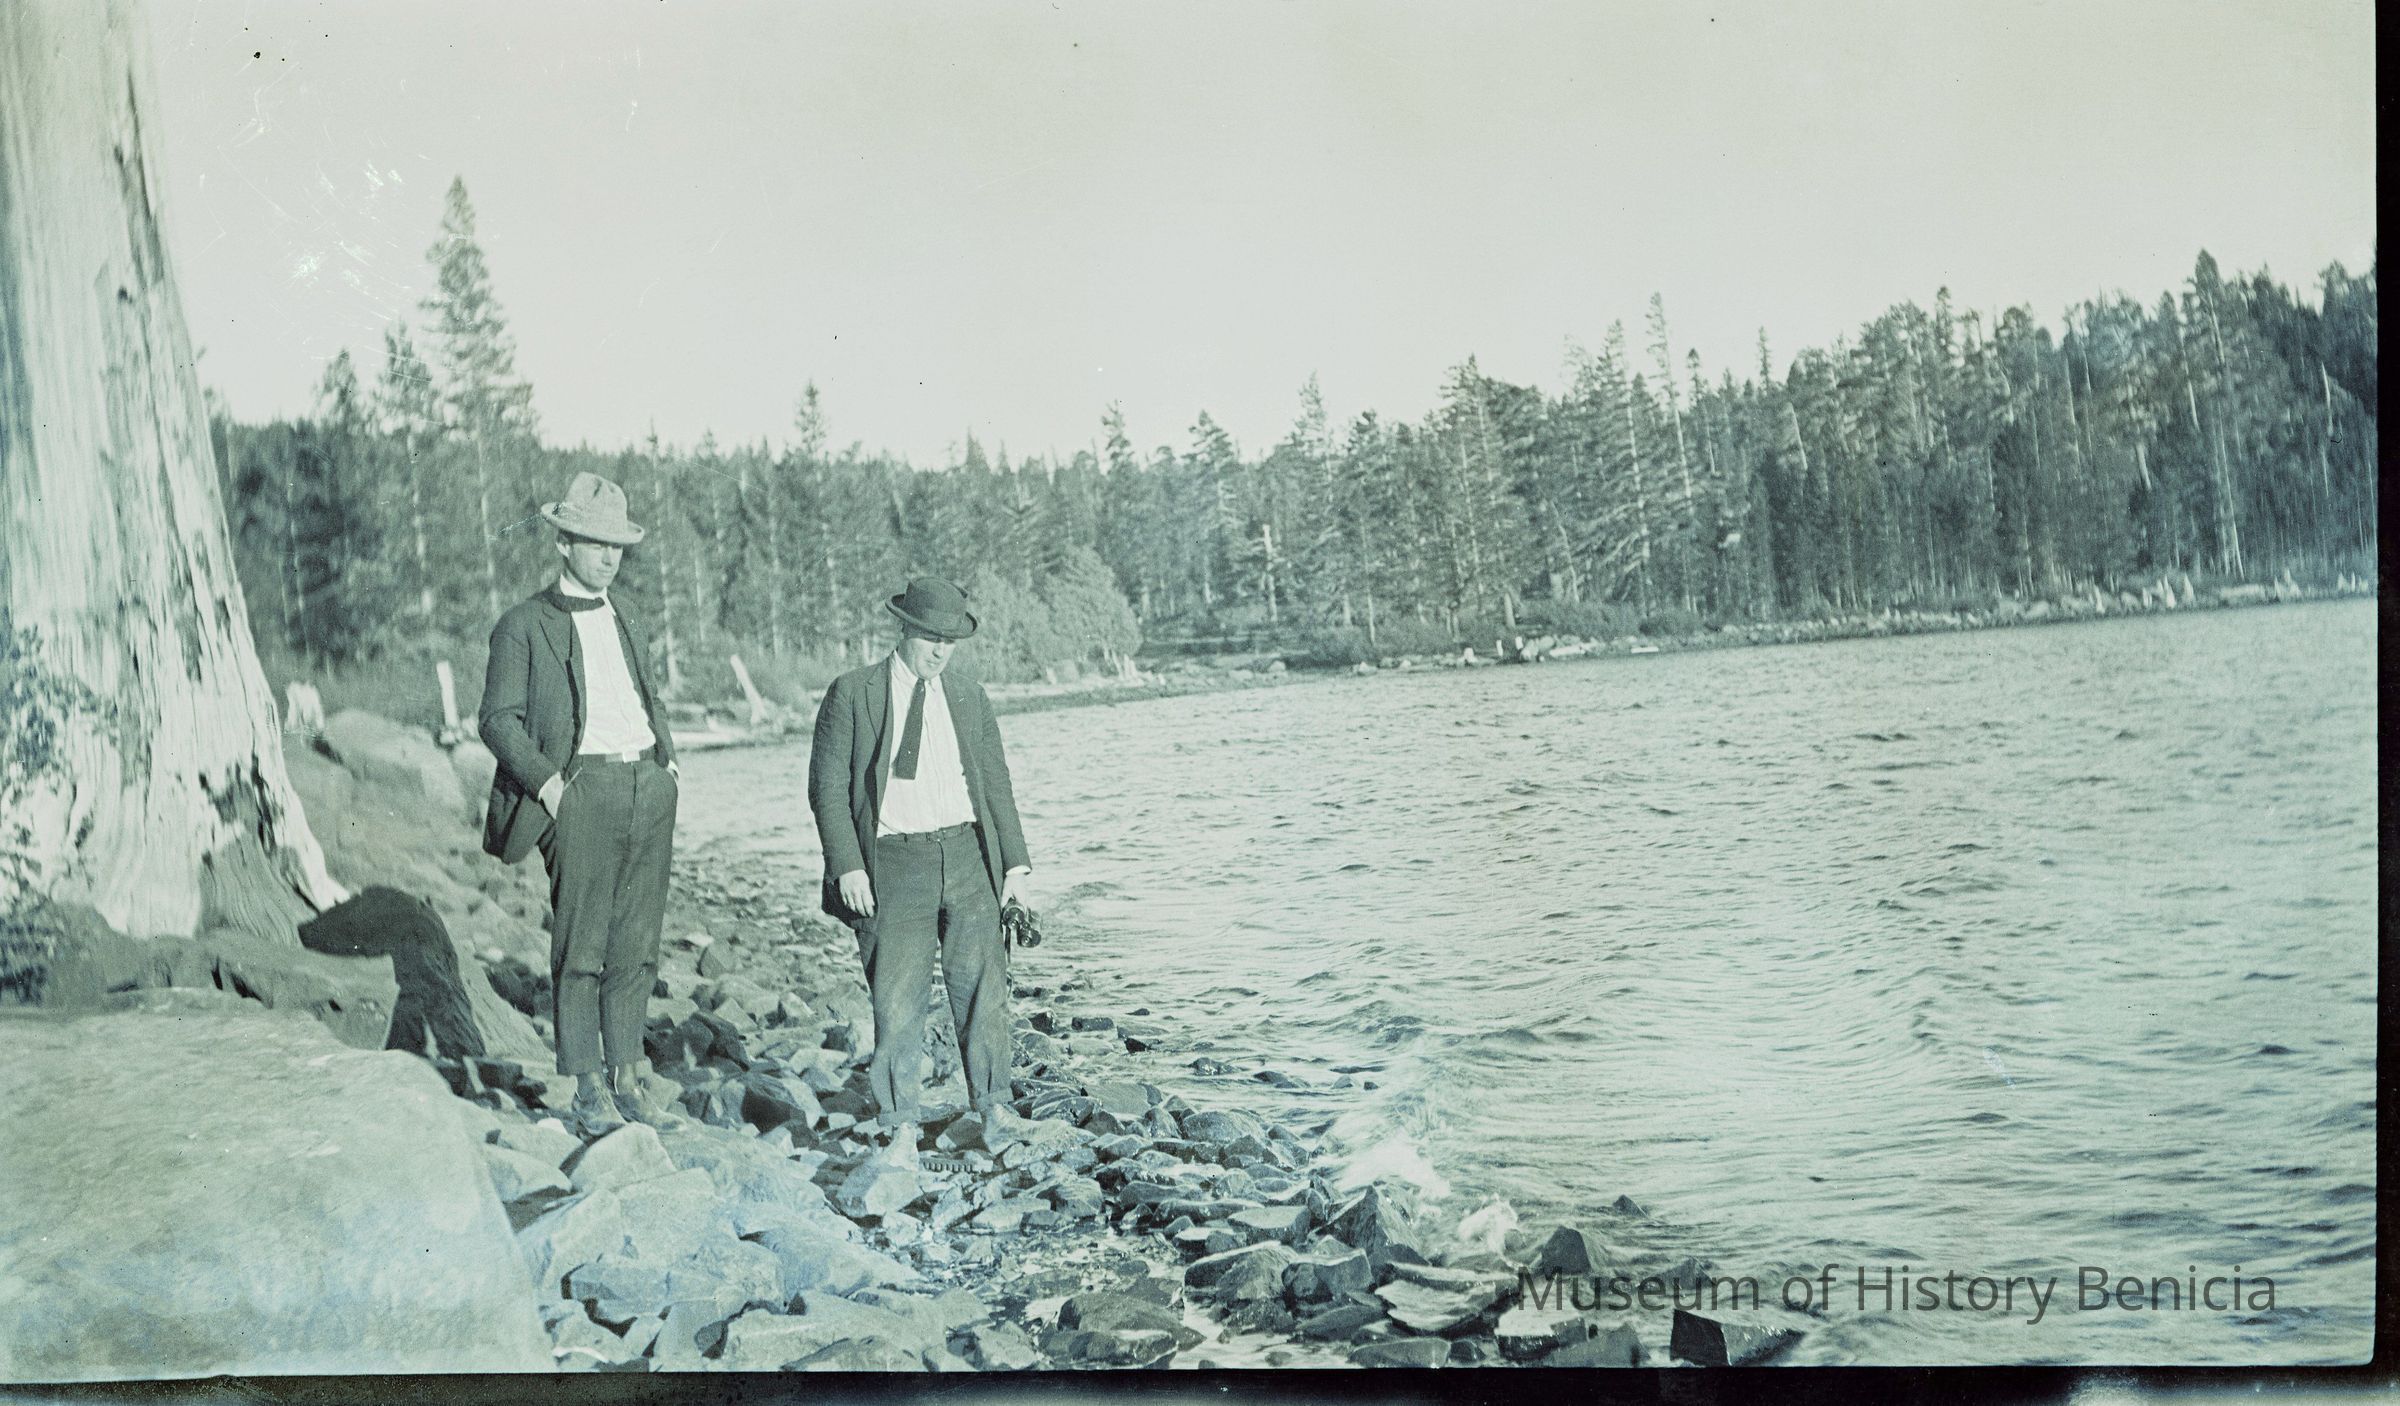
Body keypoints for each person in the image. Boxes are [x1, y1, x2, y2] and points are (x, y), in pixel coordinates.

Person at [479, 471, 681, 1131]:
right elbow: (497, 721)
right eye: (595, 543)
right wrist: (550, 788)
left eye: (616, 546)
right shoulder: (522, 625)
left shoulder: (629, 616)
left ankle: (628, 1075)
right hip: (580, 792)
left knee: (637, 943)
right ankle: (588, 1086)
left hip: (647, 785)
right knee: (582, 943)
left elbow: (646, 697)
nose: (608, 557)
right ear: (563, 542)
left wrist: (668, 762)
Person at [808, 577, 1031, 1144]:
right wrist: (847, 864)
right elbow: (827, 788)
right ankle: (899, 1124)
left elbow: (996, 784)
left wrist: (1015, 868)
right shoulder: (853, 693)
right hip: (891, 863)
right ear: (904, 628)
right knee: (896, 999)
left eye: (950, 640)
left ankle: (995, 1109)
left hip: (968, 857)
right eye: (931, 637)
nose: (940, 650)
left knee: (984, 992)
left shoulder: (969, 695)